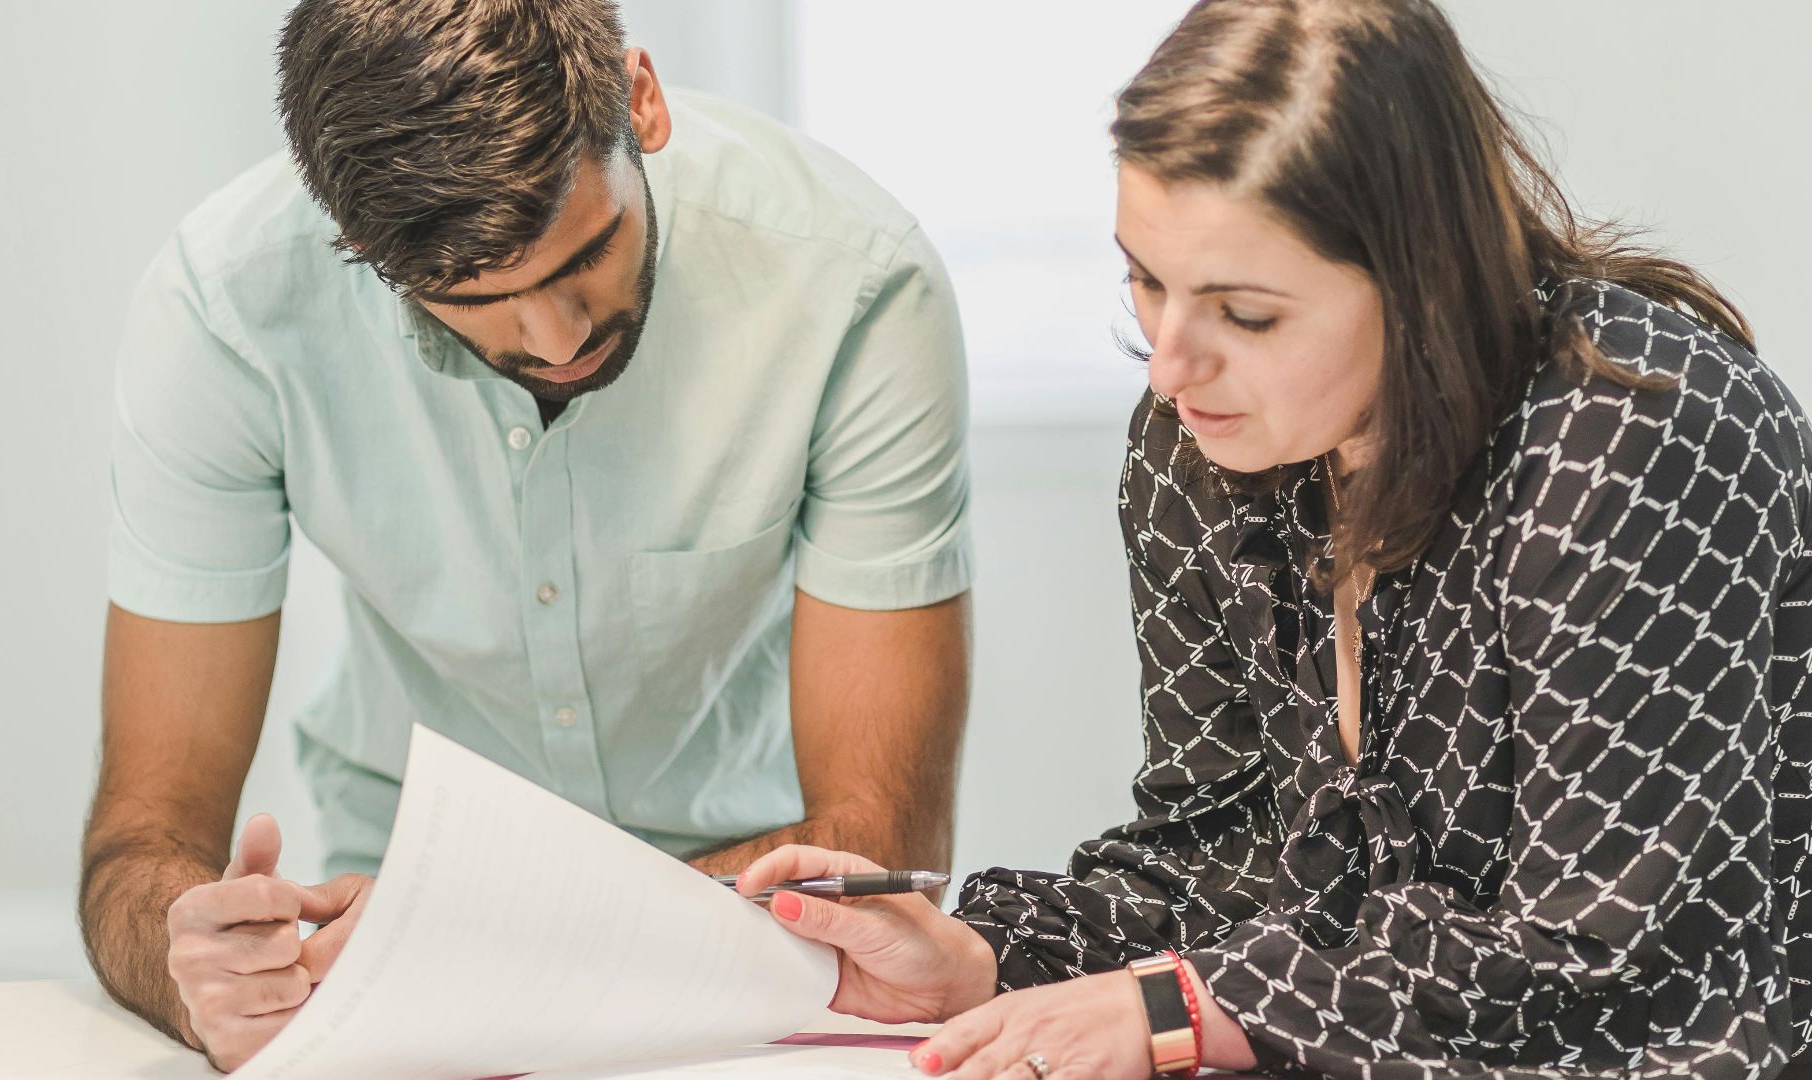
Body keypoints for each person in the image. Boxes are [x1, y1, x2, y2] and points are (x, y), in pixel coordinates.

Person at [737, 0, 1812, 1076]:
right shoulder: (1197, 448)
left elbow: (1600, 958)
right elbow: (1221, 859)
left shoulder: (1635, 439)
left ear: (1422, 280)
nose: (1168, 362)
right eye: (1145, 280)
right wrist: (985, 957)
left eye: (1245, 315)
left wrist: (1184, 1008)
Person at [79, 0, 974, 1070]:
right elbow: (142, 844)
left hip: (760, 934)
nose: (560, 339)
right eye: (480, 299)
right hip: (396, 918)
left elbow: (878, 845)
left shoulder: (857, 282)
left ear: (639, 100)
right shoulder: (225, 311)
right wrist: (196, 978)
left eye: (586, 253)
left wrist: (476, 947)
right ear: (358, 247)